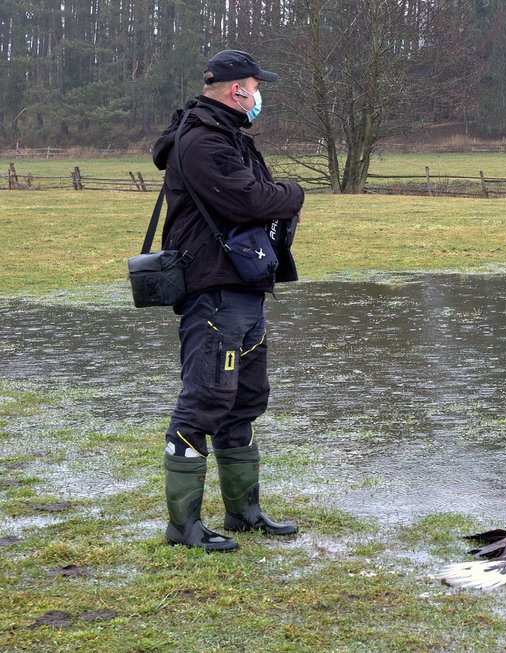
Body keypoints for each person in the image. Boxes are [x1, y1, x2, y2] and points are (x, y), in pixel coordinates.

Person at [151, 49, 305, 550]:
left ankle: (244, 512)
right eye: (257, 87)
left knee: (244, 401)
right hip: (214, 290)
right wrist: (293, 192)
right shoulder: (202, 142)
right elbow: (252, 199)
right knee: (204, 401)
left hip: (242, 287)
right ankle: (184, 526)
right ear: (239, 89)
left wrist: (274, 193)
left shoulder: (226, 136)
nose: (260, 96)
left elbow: (254, 194)